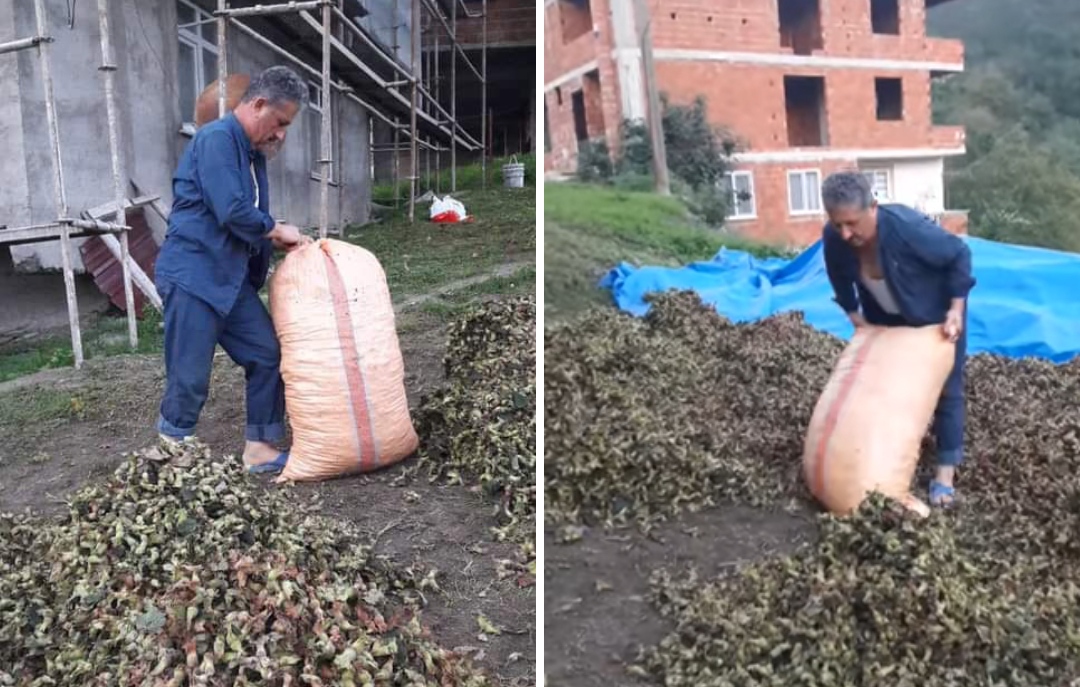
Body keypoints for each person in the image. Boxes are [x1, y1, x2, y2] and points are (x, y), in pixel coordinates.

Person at [153, 65, 312, 474]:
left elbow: (250, 217)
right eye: (279, 122)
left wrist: (278, 243)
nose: (281, 134)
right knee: (189, 374)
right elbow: (232, 210)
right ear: (257, 105)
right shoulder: (217, 140)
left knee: (266, 353)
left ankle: (258, 446)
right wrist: (277, 229)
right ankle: (171, 458)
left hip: (230, 280)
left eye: (286, 126)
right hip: (194, 275)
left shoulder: (253, 153)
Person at [820, 171, 976, 506]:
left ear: (872, 207)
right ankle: (884, 452)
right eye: (837, 225)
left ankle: (944, 475)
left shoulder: (907, 229)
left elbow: (958, 256)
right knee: (885, 386)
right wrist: (853, 314)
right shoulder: (835, 238)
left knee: (948, 391)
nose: (845, 233)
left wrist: (955, 310)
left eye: (852, 223)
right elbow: (838, 275)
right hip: (885, 315)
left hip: (935, 314)